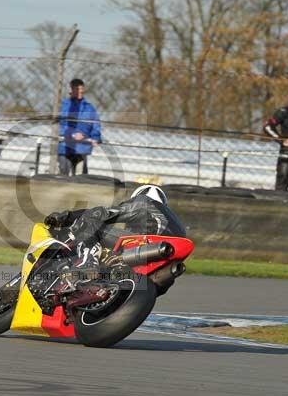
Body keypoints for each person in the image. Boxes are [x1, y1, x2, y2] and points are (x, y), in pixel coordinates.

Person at [44, 185, 186, 268]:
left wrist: (67, 217)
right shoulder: (176, 222)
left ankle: (87, 264)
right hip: (172, 257)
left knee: (94, 222)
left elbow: (103, 213)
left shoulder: (143, 202)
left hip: (149, 243)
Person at [58, 78, 101, 176]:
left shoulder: (89, 108)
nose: (80, 92)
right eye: (77, 89)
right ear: (71, 90)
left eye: (82, 90)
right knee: (64, 173)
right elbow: (60, 125)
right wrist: (72, 134)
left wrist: (95, 138)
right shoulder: (63, 106)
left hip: (82, 147)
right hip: (65, 146)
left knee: (80, 176)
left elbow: (95, 124)